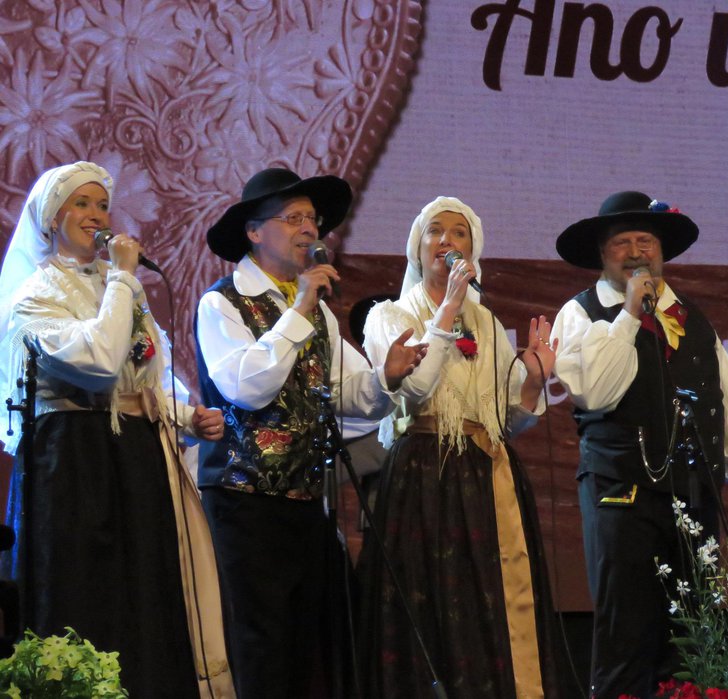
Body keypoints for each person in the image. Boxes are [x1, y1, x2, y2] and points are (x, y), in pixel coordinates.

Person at [0, 161, 234, 697]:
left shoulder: (119, 289)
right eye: (81, 204)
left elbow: (144, 372)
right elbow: (100, 363)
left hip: (133, 459)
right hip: (73, 462)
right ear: (51, 217)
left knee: (146, 594)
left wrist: (187, 418)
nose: (96, 215)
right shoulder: (36, 295)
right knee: (85, 591)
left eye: (102, 204)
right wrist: (125, 278)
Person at [195, 167, 426, 699]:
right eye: (293, 218)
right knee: (263, 641)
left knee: (315, 638)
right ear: (254, 232)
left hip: (307, 499)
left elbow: (350, 398)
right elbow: (246, 388)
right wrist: (299, 308)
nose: (308, 230)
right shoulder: (223, 302)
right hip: (244, 499)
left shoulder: (315, 310)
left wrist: (384, 377)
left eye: (313, 220)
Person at [551, 191, 728, 699]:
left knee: (690, 639)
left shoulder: (689, 317)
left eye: (645, 241)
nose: (636, 252)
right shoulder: (581, 313)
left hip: (693, 492)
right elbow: (598, 392)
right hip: (620, 494)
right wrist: (629, 316)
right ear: (603, 254)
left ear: (661, 251)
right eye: (622, 242)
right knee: (626, 637)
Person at [356, 196, 563, 699]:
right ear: (417, 246)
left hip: (485, 475)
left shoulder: (486, 322)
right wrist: (447, 308)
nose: (447, 241)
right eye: (435, 231)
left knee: (486, 602)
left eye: (459, 233)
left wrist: (533, 382)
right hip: (423, 474)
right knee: (431, 605)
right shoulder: (390, 315)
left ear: (473, 249)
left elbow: (504, 419)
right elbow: (411, 393)